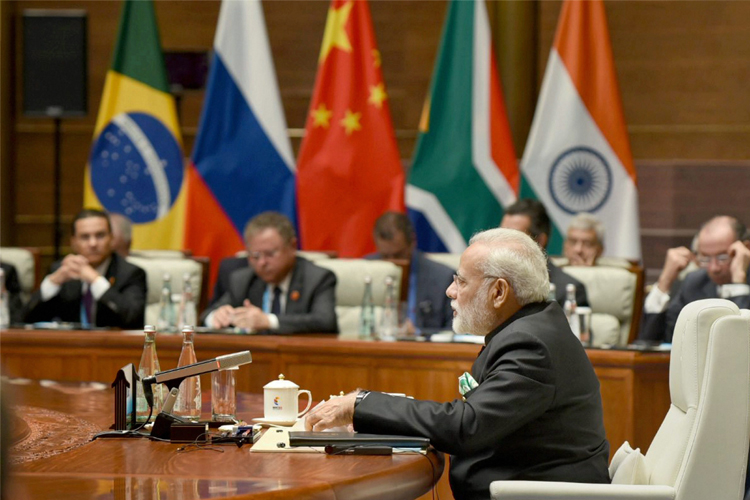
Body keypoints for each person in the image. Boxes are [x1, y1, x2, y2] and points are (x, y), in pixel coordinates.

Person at [305, 228, 610, 499]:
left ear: (499, 292)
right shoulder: (532, 327)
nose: (450, 291)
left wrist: (360, 404)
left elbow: (466, 426)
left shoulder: (531, 345)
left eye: (461, 281)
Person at [200, 211, 338, 333]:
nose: (262, 262)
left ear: (292, 246)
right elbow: (205, 316)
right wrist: (216, 317)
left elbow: (325, 321)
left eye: (270, 254)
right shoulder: (243, 280)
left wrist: (268, 321)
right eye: (255, 256)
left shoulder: (317, 278)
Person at [24, 208, 146, 329]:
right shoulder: (62, 271)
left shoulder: (131, 273)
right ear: (73, 242)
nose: (93, 243)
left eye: (100, 235)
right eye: (85, 237)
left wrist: (96, 280)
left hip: (111, 341)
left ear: (111, 238)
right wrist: (53, 283)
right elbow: (25, 320)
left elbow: (133, 319)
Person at [639, 215, 750, 343]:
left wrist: (738, 280)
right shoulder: (694, 282)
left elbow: (738, 342)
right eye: (705, 258)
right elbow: (651, 341)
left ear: (746, 248)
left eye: (722, 257)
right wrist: (665, 281)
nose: (714, 268)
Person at [368, 212, 453, 332]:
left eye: (398, 255)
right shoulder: (366, 270)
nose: (392, 262)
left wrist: (417, 333)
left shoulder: (443, 277)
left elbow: (453, 331)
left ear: (412, 242)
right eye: (385, 256)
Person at [500, 199, 589, 307]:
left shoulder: (569, 291)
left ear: (540, 241)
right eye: (501, 235)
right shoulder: (492, 282)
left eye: (513, 237)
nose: (502, 244)